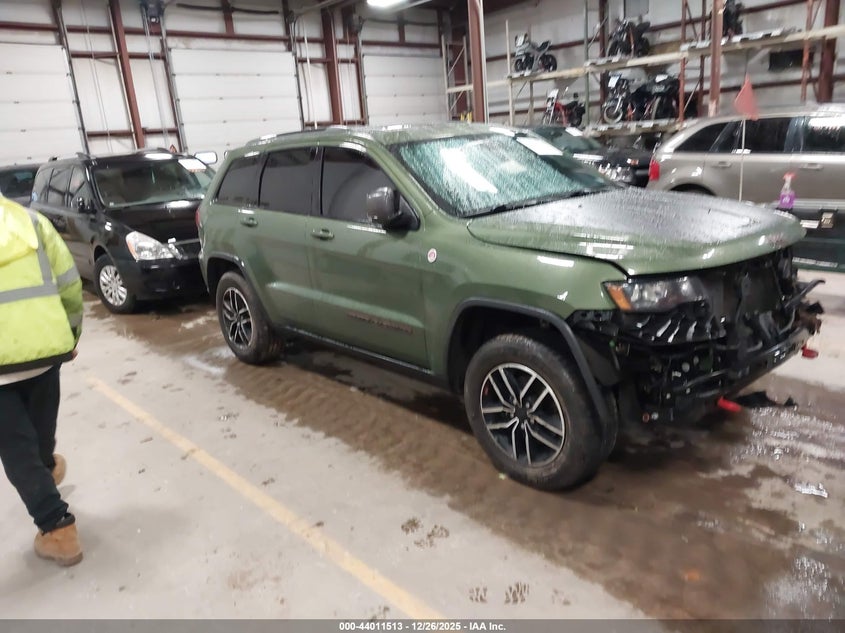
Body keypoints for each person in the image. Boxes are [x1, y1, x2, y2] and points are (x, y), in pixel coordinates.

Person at [0, 193, 84, 566]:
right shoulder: (31, 222)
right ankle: (47, 467)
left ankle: (57, 528)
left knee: (17, 451)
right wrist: (70, 334)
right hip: (44, 352)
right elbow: (69, 283)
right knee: (38, 432)